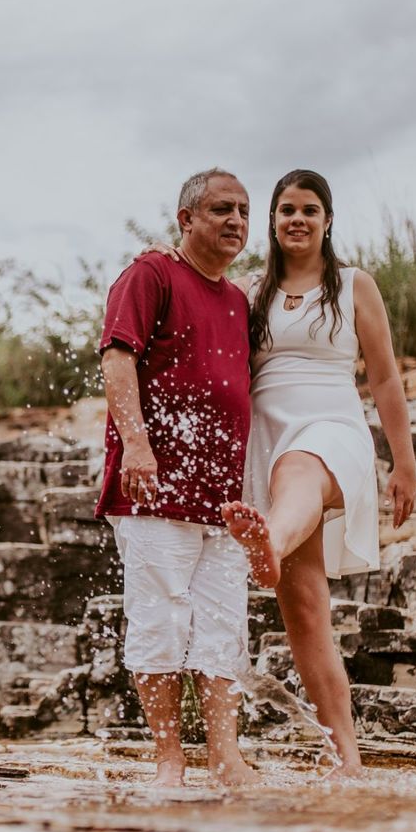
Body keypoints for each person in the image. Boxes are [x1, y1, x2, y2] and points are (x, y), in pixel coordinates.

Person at [220, 168, 416, 778]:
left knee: (301, 469)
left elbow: (383, 377)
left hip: (333, 426)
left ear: (328, 220)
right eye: (285, 210)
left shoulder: (355, 285)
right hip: (267, 434)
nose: (297, 220)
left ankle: (269, 542)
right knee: (305, 613)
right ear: (272, 222)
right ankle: (347, 760)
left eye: (309, 209)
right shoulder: (250, 291)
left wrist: (403, 463)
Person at [96, 167, 260, 788]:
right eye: (221, 209)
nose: (236, 221)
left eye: (243, 211)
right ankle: (169, 759)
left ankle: (225, 756)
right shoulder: (151, 274)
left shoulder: (239, 299)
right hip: (154, 490)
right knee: (160, 619)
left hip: (222, 499)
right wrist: (137, 446)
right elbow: (117, 356)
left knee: (222, 628)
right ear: (185, 219)